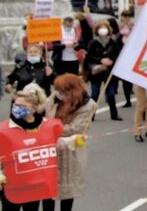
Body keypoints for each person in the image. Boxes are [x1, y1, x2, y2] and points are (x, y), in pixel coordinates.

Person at [0, 87, 65, 211]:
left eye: (23, 106)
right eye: (16, 104)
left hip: (33, 186)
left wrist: (73, 140)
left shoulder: (47, 126)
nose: (17, 108)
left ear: (34, 108)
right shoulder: (3, 130)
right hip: (12, 186)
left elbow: (54, 144)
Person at [47, 74, 91, 211]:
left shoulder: (87, 105)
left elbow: (75, 128)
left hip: (70, 150)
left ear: (71, 90)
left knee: (67, 188)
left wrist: (48, 129)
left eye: (61, 91)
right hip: (50, 148)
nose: (58, 93)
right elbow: (44, 111)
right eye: (57, 90)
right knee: (48, 187)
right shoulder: (55, 97)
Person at [83, 20, 121, 121]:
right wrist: (100, 60)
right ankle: (91, 115)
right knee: (95, 94)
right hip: (97, 72)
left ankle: (114, 114)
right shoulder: (93, 43)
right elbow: (88, 57)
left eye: (104, 28)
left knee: (110, 94)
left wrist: (112, 61)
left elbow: (117, 55)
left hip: (109, 72)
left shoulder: (113, 42)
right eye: (100, 28)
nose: (102, 30)